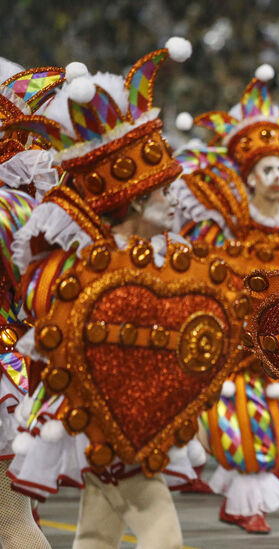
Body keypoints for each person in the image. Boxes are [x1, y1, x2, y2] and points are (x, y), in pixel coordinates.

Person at [4, 39, 199, 549]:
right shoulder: (66, 243)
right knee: (151, 524)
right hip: (97, 406)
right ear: (134, 199)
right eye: (161, 192)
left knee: (95, 526)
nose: (172, 199)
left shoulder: (149, 251)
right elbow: (44, 310)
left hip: (113, 409)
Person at [170, 68, 279, 534]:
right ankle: (244, 497)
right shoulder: (224, 219)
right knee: (242, 415)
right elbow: (198, 261)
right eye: (268, 169)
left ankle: (270, 480)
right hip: (239, 339)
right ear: (249, 175)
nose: (278, 178)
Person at [0, 57, 65, 549]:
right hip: (22, 366)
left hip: (10, 368)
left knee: (13, 522)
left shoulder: (16, 206)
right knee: (18, 520)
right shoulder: (35, 204)